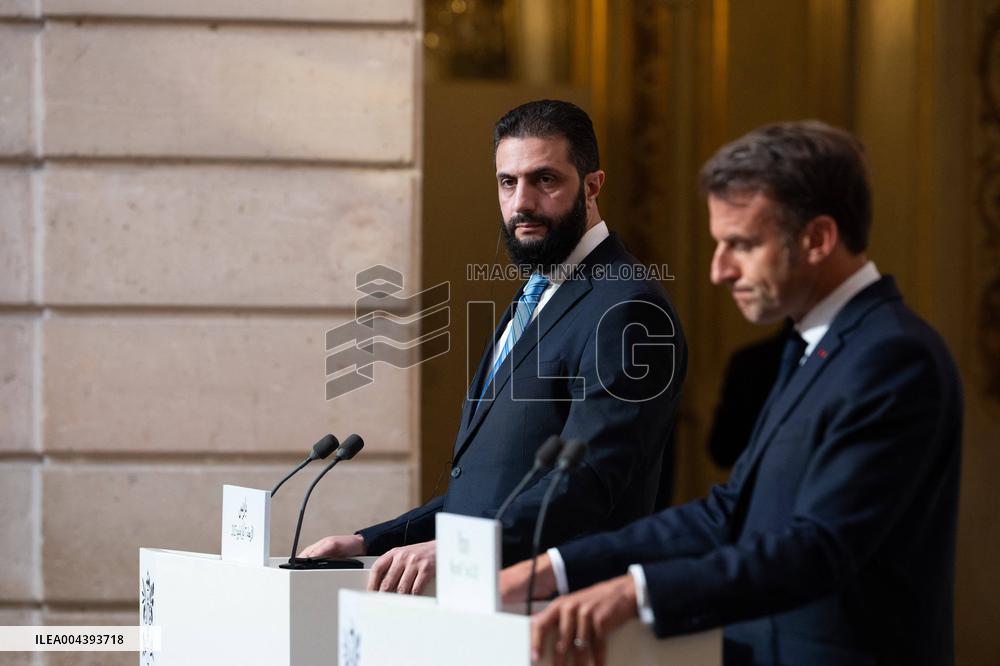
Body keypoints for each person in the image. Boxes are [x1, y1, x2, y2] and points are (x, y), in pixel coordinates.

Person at [501, 121, 963, 666]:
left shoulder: (893, 357)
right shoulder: (813, 345)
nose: (719, 270)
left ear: (818, 239)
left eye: (741, 244)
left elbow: (820, 547)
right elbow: (729, 513)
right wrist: (555, 569)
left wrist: (637, 592)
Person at [301, 99, 687, 596]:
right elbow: (489, 489)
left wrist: (463, 547)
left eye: (544, 179)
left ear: (592, 186)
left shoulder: (629, 308)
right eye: (508, 182)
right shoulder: (537, 295)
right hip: (485, 602)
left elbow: (591, 480)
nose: (522, 202)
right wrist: (369, 541)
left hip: (557, 609)